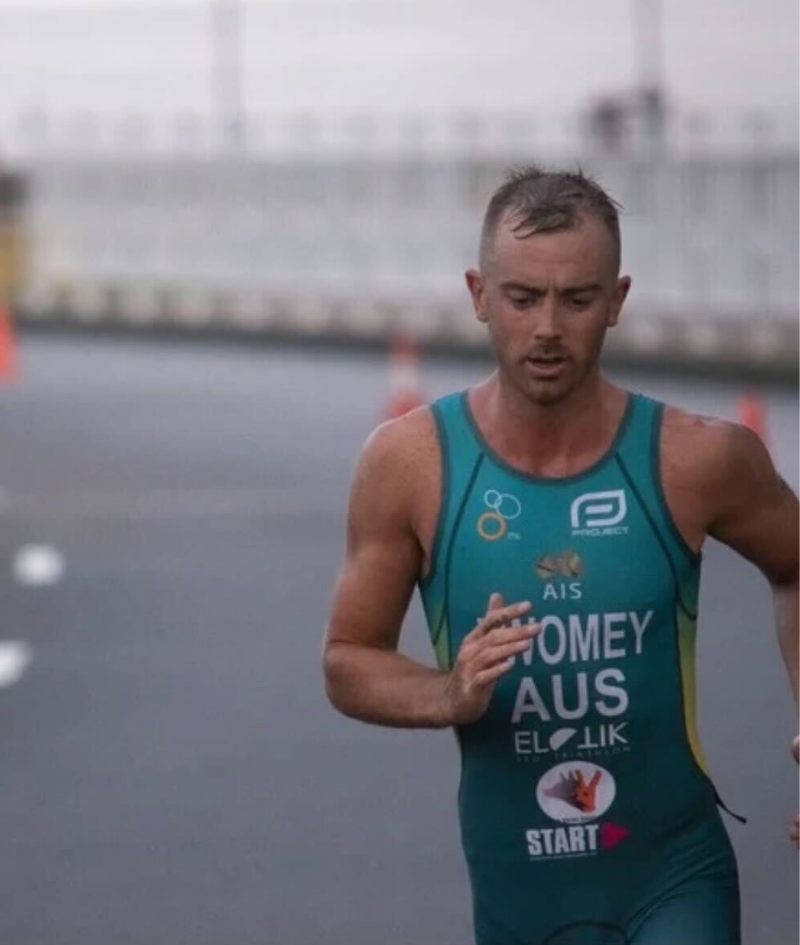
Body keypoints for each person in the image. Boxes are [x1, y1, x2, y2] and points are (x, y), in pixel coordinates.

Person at [322, 166, 798, 945]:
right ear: (479, 294)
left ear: (617, 300)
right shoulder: (412, 463)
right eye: (522, 298)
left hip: (674, 876)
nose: (547, 327)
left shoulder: (697, 458)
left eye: (577, 299)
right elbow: (346, 657)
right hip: (520, 892)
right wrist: (450, 692)